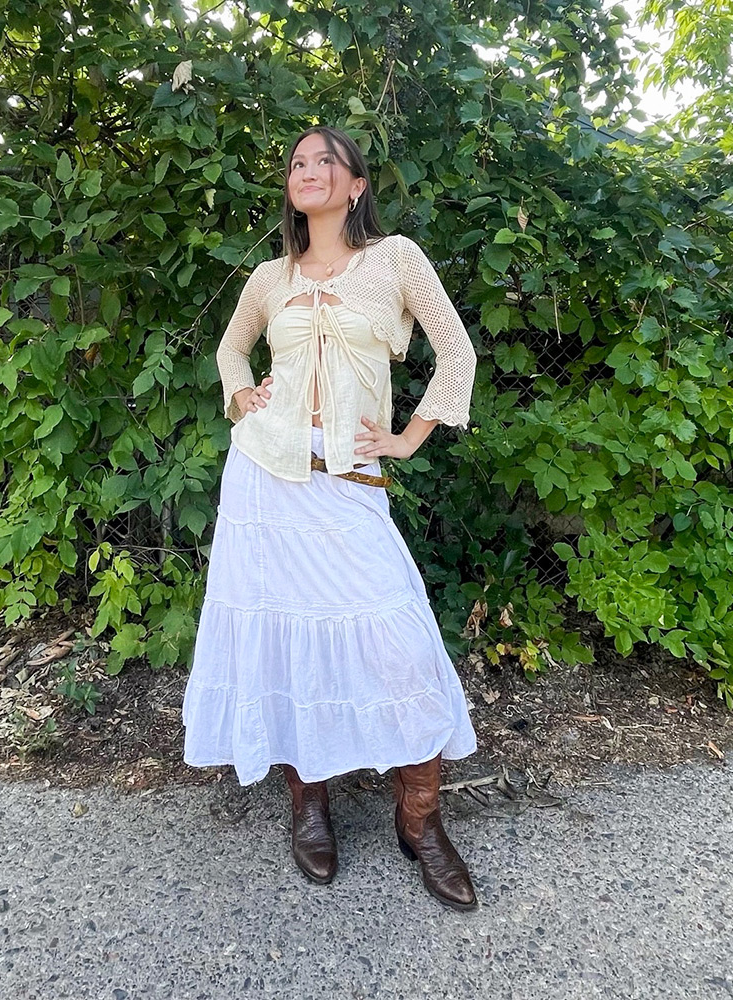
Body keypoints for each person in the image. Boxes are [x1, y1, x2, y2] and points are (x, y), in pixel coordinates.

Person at [182, 125, 480, 911]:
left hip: (348, 482)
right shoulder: (269, 277)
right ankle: (307, 802)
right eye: (297, 163)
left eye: (326, 161)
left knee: (402, 647)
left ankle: (420, 819)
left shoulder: (396, 259)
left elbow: (458, 353)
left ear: (356, 185)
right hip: (266, 481)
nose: (307, 170)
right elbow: (230, 350)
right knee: (286, 640)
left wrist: (408, 438)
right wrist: (242, 397)